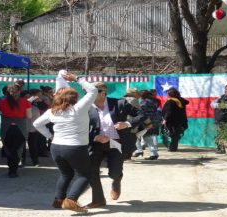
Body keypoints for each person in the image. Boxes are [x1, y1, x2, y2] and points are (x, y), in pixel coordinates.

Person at [33, 72, 97, 213]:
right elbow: (93, 90)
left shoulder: (52, 111)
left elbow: (37, 123)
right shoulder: (79, 108)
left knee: (65, 174)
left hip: (56, 147)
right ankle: (71, 200)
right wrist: (78, 79)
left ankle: (58, 200)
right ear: (75, 98)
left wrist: (50, 136)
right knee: (85, 174)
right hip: (75, 147)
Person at [86, 82, 146, 209]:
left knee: (115, 172)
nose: (88, 95)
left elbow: (142, 115)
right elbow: (80, 127)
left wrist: (127, 124)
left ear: (103, 93)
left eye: (92, 92)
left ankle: (116, 181)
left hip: (116, 143)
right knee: (91, 171)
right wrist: (94, 137)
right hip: (96, 143)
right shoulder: (86, 106)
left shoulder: (119, 103)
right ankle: (98, 199)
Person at [0, 84, 32, 178]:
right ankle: (14, 170)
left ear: (8, 92)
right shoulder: (25, 102)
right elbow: (29, 116)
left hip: (7, 129)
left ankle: (11, 169)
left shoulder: (2, 102)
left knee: (8, 149)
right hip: (20, 128)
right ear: (20, 91)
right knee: (18, 150)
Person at [133, 90, 161, 160]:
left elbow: (141, 112)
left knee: (137, 135)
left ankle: (140, 150)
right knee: (146, 136)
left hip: (146, 122)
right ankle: (153, 153)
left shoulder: (144, 102)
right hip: (153, 121)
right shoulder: (153, 101)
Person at [22, 89, 47, 167]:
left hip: (33, 128)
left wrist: (39, 101)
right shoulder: (22, 104)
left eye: (29, 97)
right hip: (23, 127)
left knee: (33, 145)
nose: (28, 98)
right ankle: (21, 161)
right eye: (26, 97)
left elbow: (45, 106)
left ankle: (35, 161)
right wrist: (28, 101)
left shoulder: (35, 103)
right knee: (22, 146)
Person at [162, 87, 189, 152]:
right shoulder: (180, 100)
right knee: (176, 134)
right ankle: (173, 147)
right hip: (180, 120)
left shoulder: (171, 101)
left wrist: (165, 119)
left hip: (172, 121)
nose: (167, 95)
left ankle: (172, 147)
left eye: (168, 93)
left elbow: (169, 111)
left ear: (170, 94)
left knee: (172, 134)